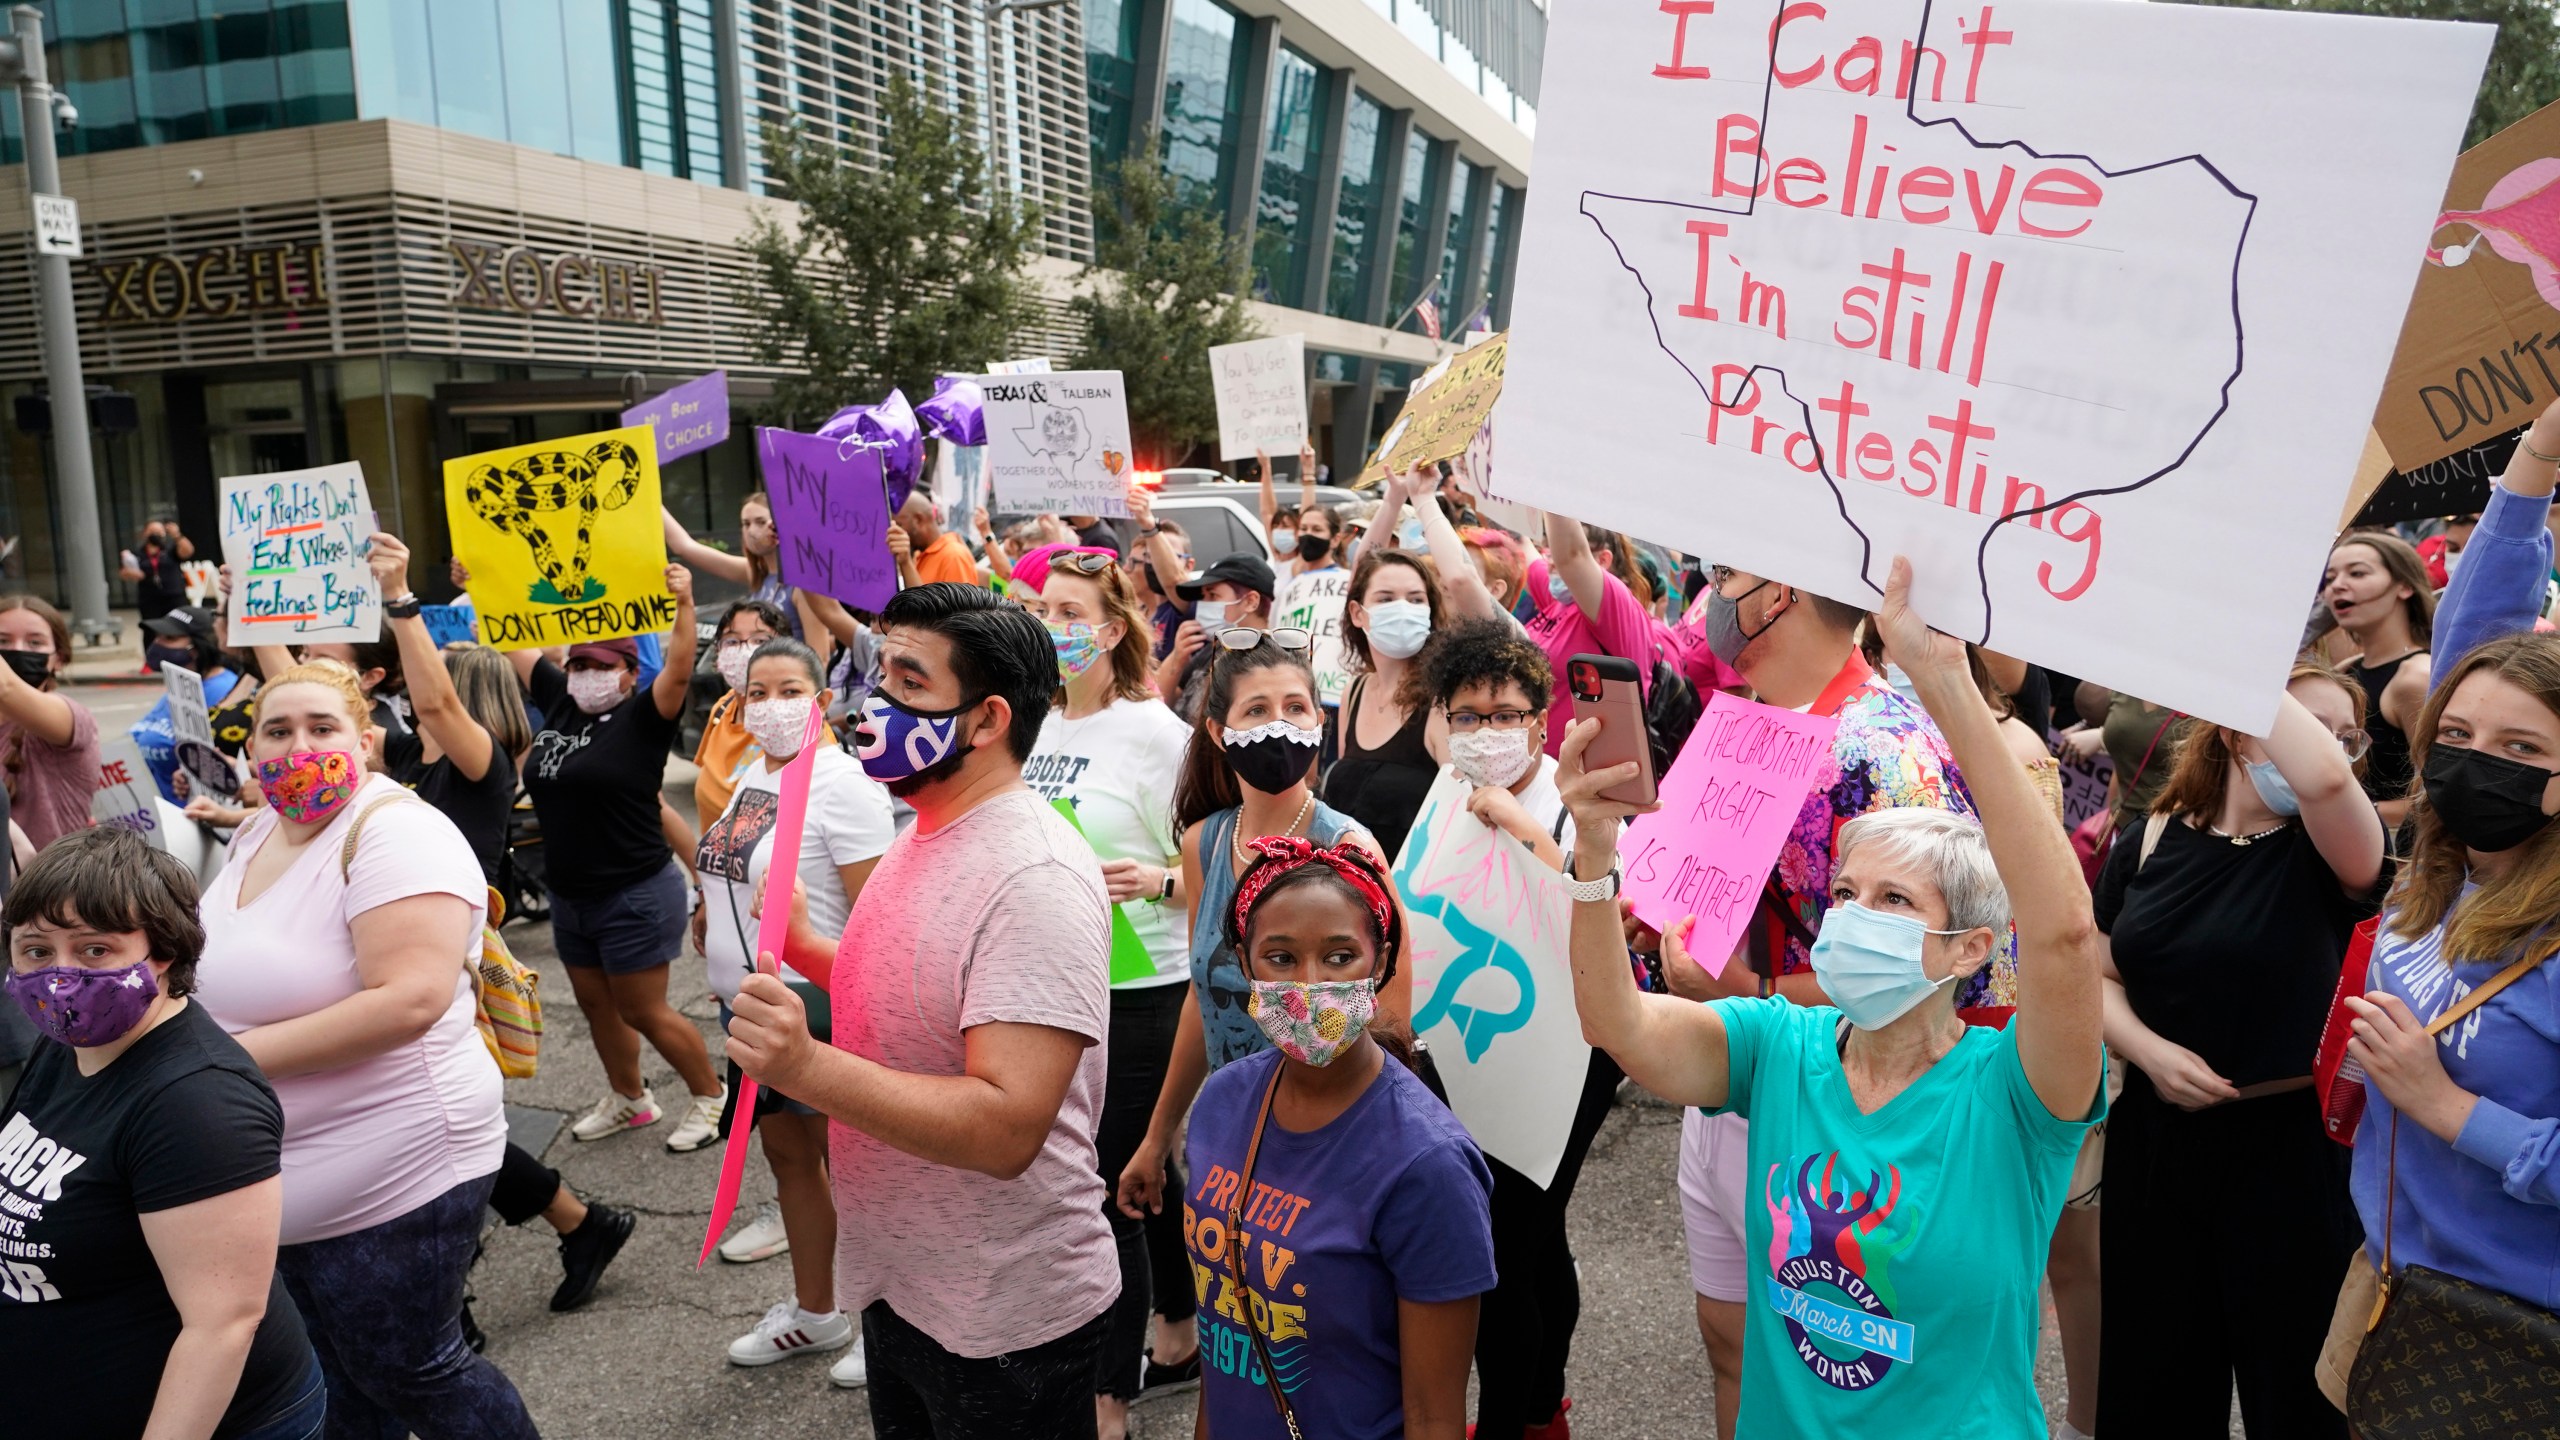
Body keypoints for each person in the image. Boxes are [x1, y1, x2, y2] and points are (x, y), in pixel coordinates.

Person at [1558, 554, 2107, 1437]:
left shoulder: (2015, 1097)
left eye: (1895, 901)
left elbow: (2064, 935)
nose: (1853, 918)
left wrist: (1942, 681)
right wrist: (1593, 856)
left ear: (1968, 945)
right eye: (1844, 895)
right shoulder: (1781, 1051)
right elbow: (1615, 1021)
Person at [726, 582, 1119, 1440]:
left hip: (1000, 1312)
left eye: (910, 683)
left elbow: (1005, 1125)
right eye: (879, 674)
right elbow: (919, 994)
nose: (875, 702)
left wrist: (805, 1067)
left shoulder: (1034, 877)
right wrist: (803, 948)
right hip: (905, 1280)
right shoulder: (928, 825)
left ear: (986, 721)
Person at [1670, 561, 1989, 1438]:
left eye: (1729, 575)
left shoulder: (1880, 748)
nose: (1711, 598)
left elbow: (1931, 963)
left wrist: (1750, 989)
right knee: (1732, 1344)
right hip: (1735, 1066)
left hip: (1835, 1102)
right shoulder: (1745, 720)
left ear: (1779, 593)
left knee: (1832, 1365)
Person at [191, 660, 535, 1437]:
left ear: (367, 742)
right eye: (277, 730)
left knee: (412, 1369)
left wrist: (214, 1066)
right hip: (279, 1174)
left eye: (321, 728)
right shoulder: (255, 831)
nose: (296, 744)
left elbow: (408, 1000)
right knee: (331, 1379)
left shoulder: (398, 831)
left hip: (396, 1162)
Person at [2094, 659, 2383, 1437]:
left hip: (2291, 1153)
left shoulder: (2331, 853)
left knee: (2295, 1396)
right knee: (2153, 1385)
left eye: (2345, 737)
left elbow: (2324, 783)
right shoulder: (2152, 836)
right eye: (2304, 724)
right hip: (2157, 1144)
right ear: (2232, 730)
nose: (2328, 750)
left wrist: (2239, 646)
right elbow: (2098, 975)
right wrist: (2149, 1052)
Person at [2337, 405, 2560, 1408]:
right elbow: (2475, 635)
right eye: (2458, 737)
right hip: (2387, 1291)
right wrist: (2535, 456)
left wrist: (2447, 1109)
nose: (2476, 761)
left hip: (2514, 1339)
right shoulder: (2443, 870)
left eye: (2522, 752)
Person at [0, 825, 326, 1440]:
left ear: (164, 952)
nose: (60, 977)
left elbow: (222, 1325)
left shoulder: (197, 1104)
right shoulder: (70, 1043)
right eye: (36, 951)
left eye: (95, 950)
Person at [1182, 836, 1495, 1440]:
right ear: (1245, 967)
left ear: (1378, 965)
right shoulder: (1222, 1102)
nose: (1310, 984)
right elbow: (1222, 1342)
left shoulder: (1428, 1165)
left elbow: (1434, 1417)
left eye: (1338, 956)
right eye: (1279, 958)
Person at [1115, 633, 1409, 1221]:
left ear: (1318, 723)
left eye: (1295, 708)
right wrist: (1157, 1137)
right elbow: (1205, 1001)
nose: (1280, 724)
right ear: (1221, 734)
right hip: (1232, 1129)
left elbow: (1393, 1019)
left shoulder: (1349, 848)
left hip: (1332, 1142)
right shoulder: (1205, 842)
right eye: (1257, 709)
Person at [1423, 619, 1625, 1440]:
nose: (1485, 733)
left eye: (1504, 714)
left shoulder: (1579, 793)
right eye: (1466, 716)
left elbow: (1603, 901)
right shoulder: (1445, 790)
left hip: (1573, 1052)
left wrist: (1519, 821)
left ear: (1540, 719)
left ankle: (1513, 1420)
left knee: (1503, 1254)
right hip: (1483, 1050)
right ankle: (1546, 1409)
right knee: (1537, 1244)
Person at [1018, 552, 1199, 1435]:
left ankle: (1108, 1395)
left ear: (1114, 628)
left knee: (1104, 1181)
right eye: (1040, 606)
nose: (1053, 622)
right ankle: (1177, 1332)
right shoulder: (1032, 724)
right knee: (1144, 1172)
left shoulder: (1156, 733)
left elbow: (1215, 864)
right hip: (1057, 975)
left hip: (1147, 986)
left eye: (1070, 609)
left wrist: (1160, 882)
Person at [696, 635, 891, 1385]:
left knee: (859, 1168)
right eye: (758, 692)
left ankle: (889, 1319)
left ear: (823, 699)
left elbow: (875, 916)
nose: (772, 706)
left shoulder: (842, 784)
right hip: (750, 1009)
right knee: (790, 1159)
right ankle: (817, 1311)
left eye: (789, 690)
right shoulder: (753, 775)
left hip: (820, 1011)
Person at [511, 568, 727, 1153]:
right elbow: (513, 636)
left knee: (642, 1009)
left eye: (604, 666)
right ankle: (630, 1098)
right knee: (595, 1004)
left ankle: (711, 1096)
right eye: (580, 664)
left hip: (632, 891)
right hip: (569, 893)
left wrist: (683, 602)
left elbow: (680, 668)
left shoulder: (642, 720)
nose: (587, 675)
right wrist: (487, 578)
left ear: (632, 675)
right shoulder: (559, 702)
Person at [1324, 547, 1447, 861]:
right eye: (1386, 598)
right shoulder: (1354, 691)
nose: (1403, 608)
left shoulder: (1442, 701)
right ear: (1357, 613)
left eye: (1416, 599)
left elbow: (1456, 818)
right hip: (1346, 893)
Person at [2322, 531, 2436, 825]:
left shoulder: (2415, 677)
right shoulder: (2347, 670)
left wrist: (2348, 813)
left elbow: (2436, 797)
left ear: (2404, 586)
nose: (2337, 586)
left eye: (2357, 573)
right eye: (2330, 579)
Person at [1526, 517, 1659, 754]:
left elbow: (1571, 556)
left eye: (1557, 547)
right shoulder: (1559, 603)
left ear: (1603, 560)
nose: (1552, 561)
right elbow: (1519, 549)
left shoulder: (1616, 606)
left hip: (1593, 778)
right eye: (1549, 549)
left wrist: (1549, 484)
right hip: (1545, 772)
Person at [0, 594, 100, 847]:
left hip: (49, 885)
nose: (18, 650)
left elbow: (6, 688)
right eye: (3, 641)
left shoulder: (69, 716)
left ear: (60, 658)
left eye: (35, 643)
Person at [664, 491, 822, 641]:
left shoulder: (801, 583)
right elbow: (684, 546)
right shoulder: (757, 573)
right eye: (746, 524)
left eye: (760, 522)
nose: (752, 531)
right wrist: (647, 495)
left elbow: (819, 657)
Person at [133, 604, 246, 806]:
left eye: (169, 638)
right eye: (157, 637)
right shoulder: (181, 684)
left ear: (196, 648)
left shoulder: (223, 690)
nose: (157, 643)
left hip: (195, 817)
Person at [694, 599, 795, 822]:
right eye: (732, 641)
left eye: (760, 639)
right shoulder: (723, 708)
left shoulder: (797, 722)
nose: (744, 650)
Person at [1161, 554, 1280, 721]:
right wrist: (1177, 659)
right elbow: (1163, 702)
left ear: (1250, 602)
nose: (1204, 604)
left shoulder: (1271, 664)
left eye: (1213, 595)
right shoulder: (1215, 648)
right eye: (1203, 597)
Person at [890, 492, 982, 588]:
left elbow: (961, 603)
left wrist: (906, 563)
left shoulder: (954, 556)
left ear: (918, 520)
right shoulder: (920, 555)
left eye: (899, 525)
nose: (896, 531)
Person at [121, 518, 192, 623]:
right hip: (150, 598)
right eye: (152, 532)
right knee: (152, 629)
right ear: (145, 533)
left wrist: (177, 535)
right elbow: (123, 572)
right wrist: (131, 573)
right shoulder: (137, 554)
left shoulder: (170, 550)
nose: (156, 535)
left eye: (159, 532)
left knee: (179, 626)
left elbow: (188, 551)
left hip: (174, 596)